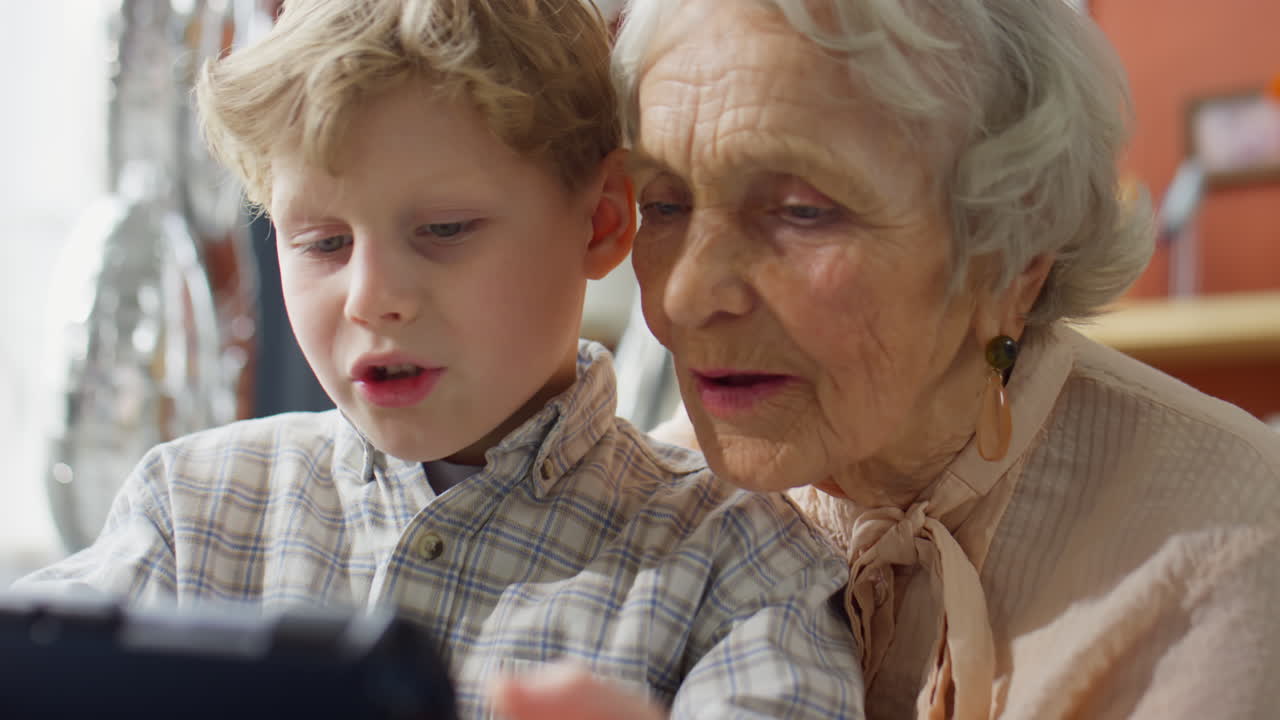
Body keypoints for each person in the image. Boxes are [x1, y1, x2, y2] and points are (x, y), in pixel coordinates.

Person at [12, 1, 865, 718]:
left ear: (603, 222)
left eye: (444, 231)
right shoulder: (189, 516)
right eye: (322, 241)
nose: (371, 296)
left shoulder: (743, 568)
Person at [521, 0, 1280, 718]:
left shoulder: (1230, 552)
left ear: (1011, 256)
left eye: (800, 210)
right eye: (665, 205)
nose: (683, 298)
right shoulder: (649, 504)